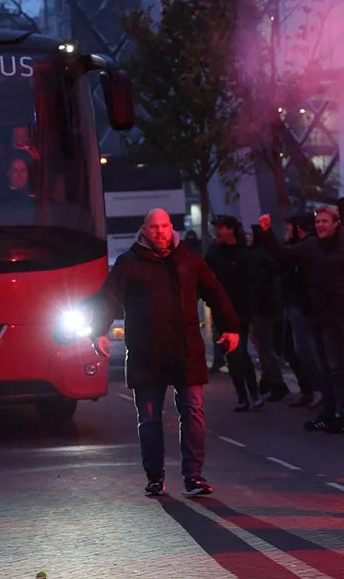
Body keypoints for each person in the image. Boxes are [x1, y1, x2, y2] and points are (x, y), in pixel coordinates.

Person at [88, 208, 242, 497]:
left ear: (172, 228)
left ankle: (193, 476)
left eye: (164, 226)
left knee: (193, 412)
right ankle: (155, 476)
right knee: (149, 418)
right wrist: (98, 331)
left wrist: (231, 327)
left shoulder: (188, 261)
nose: (160, 232)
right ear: (144, 229)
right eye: (154, 227)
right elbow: (108, 298)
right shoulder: (128, 263)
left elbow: (215, 292)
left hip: (186, 350)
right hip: (147, 352)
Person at [259, 206, 344, 434]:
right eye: (318, 222)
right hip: (326, 317)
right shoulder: (311, 247)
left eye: (325, 221)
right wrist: (266, 233)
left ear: (336, 223)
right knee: (335, 368)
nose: (321, 225)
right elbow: (283, 256)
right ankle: (341, 413)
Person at [204, 215, 263, 411]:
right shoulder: (214, 253)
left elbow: (253, 285)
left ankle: (251, 394)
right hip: (222, 312)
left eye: (220, 228)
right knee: (233, 354)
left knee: (239, 352)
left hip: (241, 313)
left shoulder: (244, 256)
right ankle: (244, 396)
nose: (216, 232)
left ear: (230, 230)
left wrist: (251, 312)